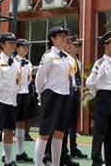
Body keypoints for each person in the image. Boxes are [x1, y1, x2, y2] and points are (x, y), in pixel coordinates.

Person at [34, 26, 72, 166]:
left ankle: (56, 163)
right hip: (51, 94)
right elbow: (40, 78)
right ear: (53, 39)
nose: (64, 38)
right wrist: (41, 94)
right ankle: (38, 164)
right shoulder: (48, 56)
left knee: (59, 133)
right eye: (61, 36)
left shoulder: (67, 57)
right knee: (44, 132)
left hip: (64, 95)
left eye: (64, 36)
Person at [86, 31, 111, 166]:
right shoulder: (101, 62)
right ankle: (96, 159)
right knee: (100, 130)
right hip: (104, 97)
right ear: (105, 46)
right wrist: (99, 94)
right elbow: (90, 82)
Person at [0, 33, 19, 166]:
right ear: (2, 44)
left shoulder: (15, 63)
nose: (13, 45)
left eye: (14, 42)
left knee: (8, 130)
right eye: (10, 42)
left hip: (11, 100)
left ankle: (8, 161)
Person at [14, 38, 33, 162]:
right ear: (17, 48)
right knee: (9, 124)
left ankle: (20, 152)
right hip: (14, 94)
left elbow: (29, 80)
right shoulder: (12, 62)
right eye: (23, 47)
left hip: (24, 94)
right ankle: (6, 153)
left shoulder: (28, 63)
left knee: (21, 123)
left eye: (27, 47)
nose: (26, 49)